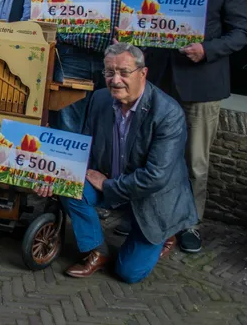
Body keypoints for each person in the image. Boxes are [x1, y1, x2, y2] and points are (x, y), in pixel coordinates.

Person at [35, 43, 197, 283]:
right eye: (109, 72)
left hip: (152, 199)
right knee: (67, 186)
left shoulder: (168, 113)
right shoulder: (100, 99)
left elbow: (155, 177)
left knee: (129, 273)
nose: (115, 80)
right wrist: (54, 178)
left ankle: (165, 233)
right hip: (114, 184)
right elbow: (85, 150)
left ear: (143, 73)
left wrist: (107, 185)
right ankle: (98, 250)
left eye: (123, 72)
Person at [146, 0, 247, 254]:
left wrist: (207, 49)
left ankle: (189, 223)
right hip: (160, 82)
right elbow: (144, 24)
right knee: (155, 153)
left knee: (194, 161)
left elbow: (242, 32)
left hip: (201, 85)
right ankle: (152, 215)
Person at [54, 0, 152, 134]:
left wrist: (135, 38)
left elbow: (153, 15)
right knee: (70, 120)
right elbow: (54, 11)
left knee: (112, 119)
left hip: (117, 60)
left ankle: (101, 169)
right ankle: (73, 169)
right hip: (73, 58)